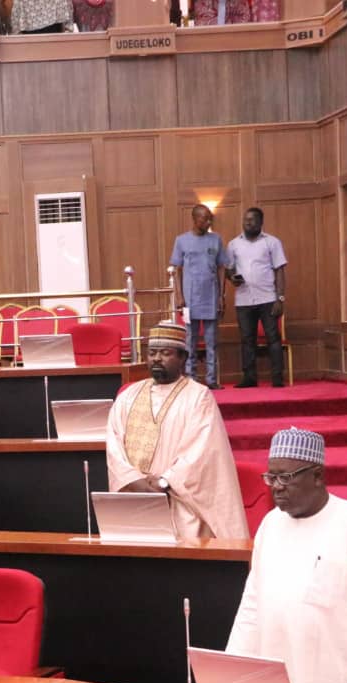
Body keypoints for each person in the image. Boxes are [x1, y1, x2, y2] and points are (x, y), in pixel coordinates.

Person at [227, 428, 347, 683]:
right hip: (276, 668)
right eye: (271, 478)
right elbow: (252, 601)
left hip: (336, 677)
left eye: (286, 477)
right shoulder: (270, 525)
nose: (276, 487)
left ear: (318, 476)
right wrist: (235, 664)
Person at [106, 322, 249, 539]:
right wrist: (135, 482)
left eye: (165, 353)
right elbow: (114, 445)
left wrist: (165, 482)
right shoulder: (128, 396)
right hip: (134, 498)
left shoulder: (198, 396)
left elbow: (202, 452)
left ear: (183, 357)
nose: (156, 359)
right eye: (152, 353)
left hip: (180, 502)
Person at [226, 207, 287, 388]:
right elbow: (229, 269)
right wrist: (232, 278)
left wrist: (280, 298)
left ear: (261, 222)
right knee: (247, 340)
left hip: (268, 298)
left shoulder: (272, 242)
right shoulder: (233, 244)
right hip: (243, 299)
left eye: (252, 220)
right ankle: (249, 378)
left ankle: (277, 378)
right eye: (245, 220)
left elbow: (280, 270)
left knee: (273, 338)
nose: (248, 223)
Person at [170, 204, 229, 389]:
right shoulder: (181, 240)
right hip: (190, 299)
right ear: (195, 219)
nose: (208, 221)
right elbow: (177, 271)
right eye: (205, 218)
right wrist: (179, 296)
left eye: (210, 218)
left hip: (211, 297)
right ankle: (191, 380)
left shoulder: (216, 239)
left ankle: (212, 380)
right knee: (190, 342)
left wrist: (221, 295)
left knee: (212, 342)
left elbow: (221, 268)